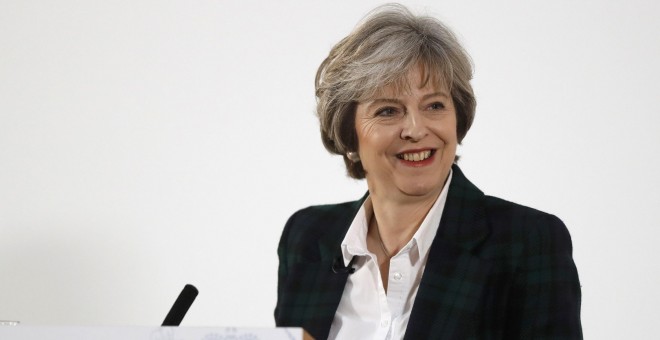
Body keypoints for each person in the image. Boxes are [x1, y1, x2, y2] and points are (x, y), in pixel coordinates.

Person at [274, 4, 582, 339]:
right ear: (349, 134)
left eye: (434, 105)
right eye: (388, 110)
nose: (416, 129)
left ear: (457, 118)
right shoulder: (306, 237)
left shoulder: (527, 242)